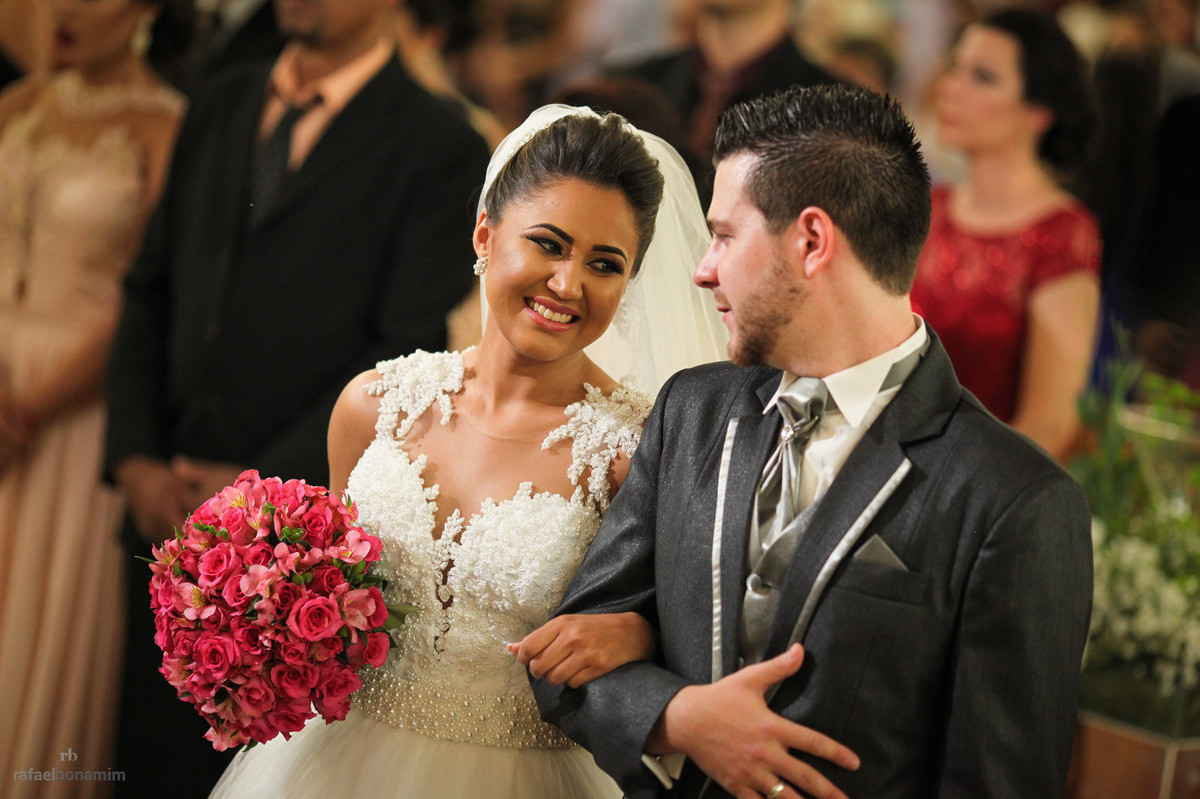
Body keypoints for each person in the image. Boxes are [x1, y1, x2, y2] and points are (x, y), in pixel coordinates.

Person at [530, 84, 1093, 798]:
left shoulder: (1015, 501)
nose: (702, 268)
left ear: (812, 242)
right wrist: (678, 716)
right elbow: (565, 662)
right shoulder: (692, 410)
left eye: (725, 235)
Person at [208, 105, 722, 798]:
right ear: (485, 234)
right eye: (548, 244)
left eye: (604, 264)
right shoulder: (373, 407)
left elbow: (688, 643)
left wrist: (638, 635)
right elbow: (323, 598)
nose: (568, 284)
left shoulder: (635, 453)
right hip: (331, 767)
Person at [104, 0, 490, 794]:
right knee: (136, 757)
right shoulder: (223, 99)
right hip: (162, 506)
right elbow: (151, 285)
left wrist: (257, 497)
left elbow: (400, 354)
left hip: (289, 543)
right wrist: (136, 456)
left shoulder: (438, 141)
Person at [0, 0, 186, 792]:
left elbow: (149, 294)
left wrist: (29, 406)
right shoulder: (17, 103)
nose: (67, 8)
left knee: (39, 617)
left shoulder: (166, 124)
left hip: (76, 403)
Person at [910, 9, 1101, 463]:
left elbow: (1050, 426)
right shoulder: (928, 207)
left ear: (1038, 111)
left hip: (980, 485)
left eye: (982, 76)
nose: (951, 87)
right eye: (954, 67)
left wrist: (946, 487)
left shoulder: (1062, 232)